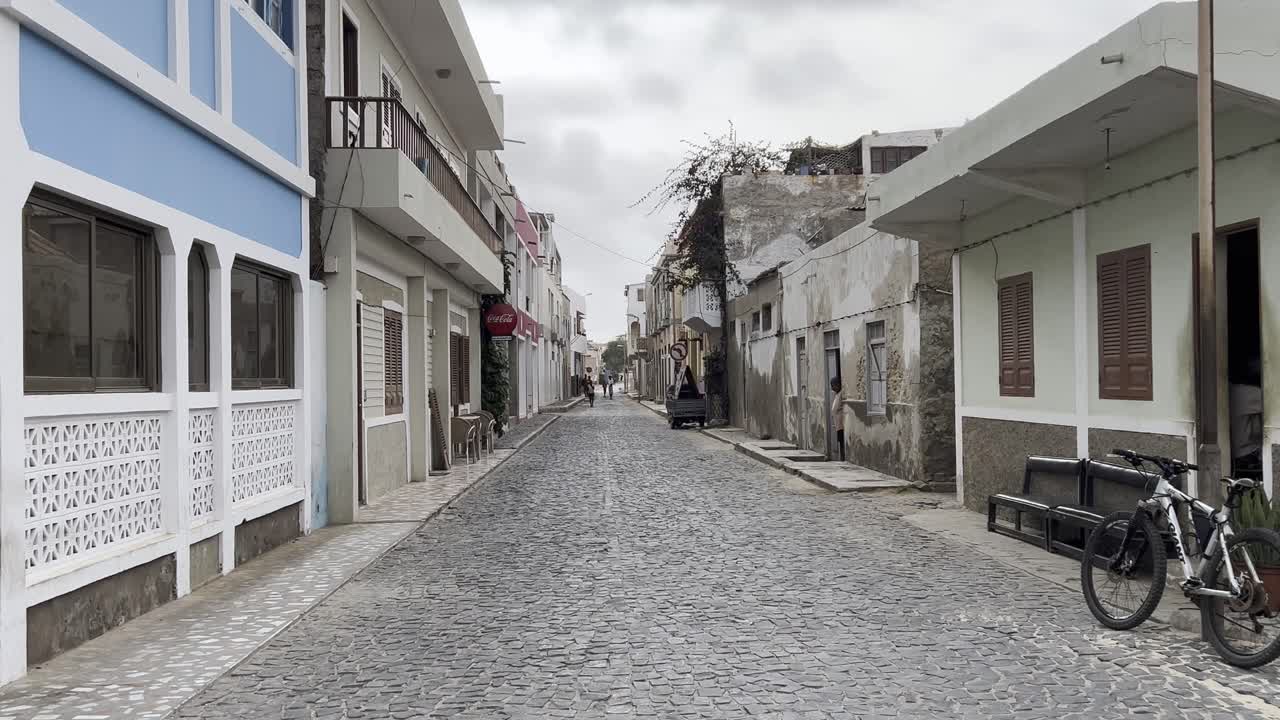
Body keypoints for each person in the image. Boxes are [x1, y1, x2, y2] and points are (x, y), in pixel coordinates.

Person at [830, 377, 845, 461]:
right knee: (839, 440)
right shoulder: (837, 394)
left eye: (833, 385)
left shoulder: (841, 394)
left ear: (838, 385)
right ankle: (841, 458)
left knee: (842, 441)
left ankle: (843, 458)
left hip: (841, 423)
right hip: (838, 423)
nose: (832, 388)